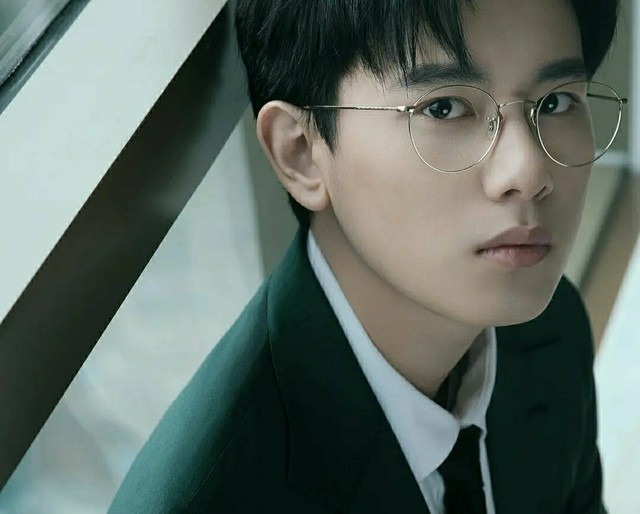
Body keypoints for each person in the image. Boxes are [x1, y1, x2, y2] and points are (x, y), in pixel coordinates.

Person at [109, 0, 625, 512]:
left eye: (556, 102)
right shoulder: (215, 497)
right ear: (301, 152)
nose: (529, 171)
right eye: (444, 108)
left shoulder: (548, 332)